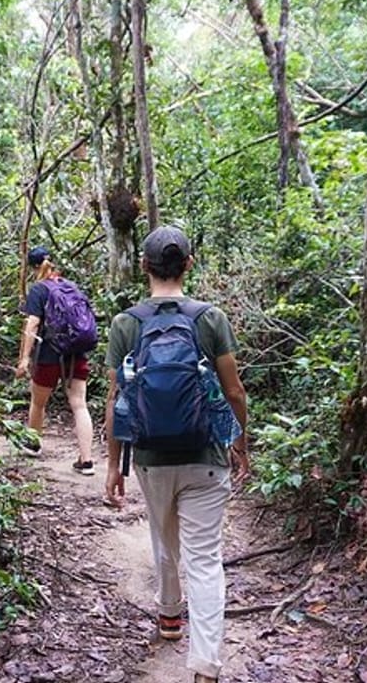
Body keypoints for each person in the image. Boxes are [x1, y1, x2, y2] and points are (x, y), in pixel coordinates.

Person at [103, 226, 250, 683]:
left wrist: (113, 464)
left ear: (143, 266)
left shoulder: (126, 323)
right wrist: (239, 441)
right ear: (189, 264)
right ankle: (204, 663)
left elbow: (116, 399)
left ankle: (169, 616)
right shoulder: (211, 319)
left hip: (149, 455)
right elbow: (234, 390)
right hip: (205, 454)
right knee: (204, 559)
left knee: (164, 538)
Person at [16, 246, 96, 475]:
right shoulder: (70, 286)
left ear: (32, 268)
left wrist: (24, 358)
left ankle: (33, 442)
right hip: (76, 352)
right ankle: (87, 460)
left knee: (38, 402)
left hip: (50, 354)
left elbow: (32, 324)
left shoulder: (39, 289)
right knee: (79, 404)